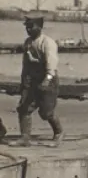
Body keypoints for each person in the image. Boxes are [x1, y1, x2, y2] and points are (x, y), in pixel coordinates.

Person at [12, 14, 63, 147]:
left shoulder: (47, 42)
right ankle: (25, 138)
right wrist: (23, 82)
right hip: (32, 80)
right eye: (27, 27)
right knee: (24, 108)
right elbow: (26, 65)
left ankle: (58, 133)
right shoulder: (28, 42)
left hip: (48, 79)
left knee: (46, 112)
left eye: (31, 27)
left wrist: (47, 80)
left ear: (39, 27)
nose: (28, 29)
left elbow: (52, 64)